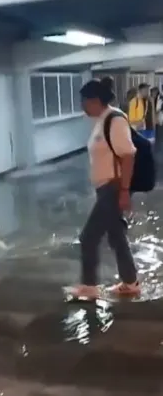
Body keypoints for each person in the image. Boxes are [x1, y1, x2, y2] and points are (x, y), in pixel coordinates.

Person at [67, 79, 140, 299]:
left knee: (88, 237)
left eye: (84, 101)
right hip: (104, 187)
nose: (82, 106)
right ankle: (130, 282)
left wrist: (125, 191)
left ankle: (89, 287)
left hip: (113, 187)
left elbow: (128, 156)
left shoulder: (114, 120)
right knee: (116, 236)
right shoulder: (102, 119)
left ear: (95, 100)